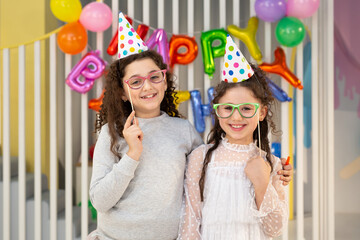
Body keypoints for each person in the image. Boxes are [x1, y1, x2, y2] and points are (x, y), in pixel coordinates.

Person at [89, 14, 292, 240]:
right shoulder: (112, 134)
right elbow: (99, 201)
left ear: (165, 81)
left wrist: (276, 173)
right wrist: (132, 155)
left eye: (154, 77)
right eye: (135, 81)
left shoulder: (182, 130)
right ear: (121, 92)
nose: (147, 86)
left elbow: (212, 166)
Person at [178, 35, 289, 240]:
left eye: (246, 108)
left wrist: (262, 183)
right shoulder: (200, 158)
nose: (236, 117)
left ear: (262, 113)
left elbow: (275, 229)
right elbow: (190, 221)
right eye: (227, 108)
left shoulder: (270, 164)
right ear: (217, 111)